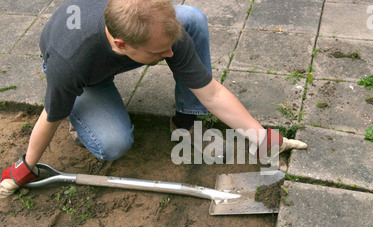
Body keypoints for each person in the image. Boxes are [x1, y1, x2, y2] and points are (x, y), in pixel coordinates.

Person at [0, 0, 307, 198]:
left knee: (191, 19)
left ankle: (185, 122)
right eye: (161, 53)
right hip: (82, 75)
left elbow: (211, 92)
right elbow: (49, 115)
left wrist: (261, 136)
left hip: (116, 50)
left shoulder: (158, 30)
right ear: (121, 44)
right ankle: (81, 120)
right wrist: (26, 166)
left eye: (169, 47)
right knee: (113, 144)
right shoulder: (69, 63)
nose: (170, 55)